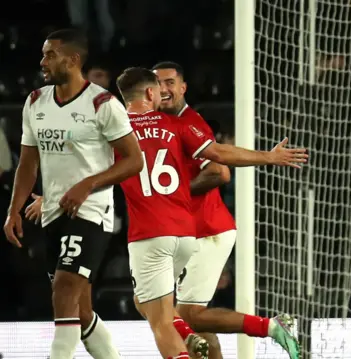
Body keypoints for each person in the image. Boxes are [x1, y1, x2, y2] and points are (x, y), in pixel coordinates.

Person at [115, 67, 306, 359]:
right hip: (183, 230)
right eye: (159, 83)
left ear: (183, 87)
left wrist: (165, 198)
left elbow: (219, 170)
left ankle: (269, 326)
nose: (164, 89)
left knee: (180, 312)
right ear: (150, 91)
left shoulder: (187, 122)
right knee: (154, 304)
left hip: (205, 227)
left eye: (170, 83)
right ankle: (193, 339)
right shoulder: (168, 123)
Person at [3, 29, 144, 359]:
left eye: (50, 55)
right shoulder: (35, 101)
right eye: (43, 54)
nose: (42, 62)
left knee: (64, 288)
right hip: (53, 211)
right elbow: (28, 161)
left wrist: (87, 185)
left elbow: (134, 160)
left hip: (91, 212)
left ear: (74, 59)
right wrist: (14, 209)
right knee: (79, 311)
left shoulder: (102, 104)